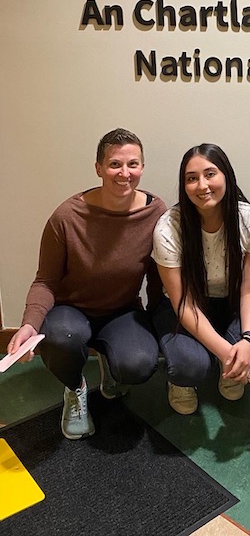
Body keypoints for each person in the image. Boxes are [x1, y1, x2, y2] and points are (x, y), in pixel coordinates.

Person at [6, 128, 166, 440]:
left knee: (140, 364)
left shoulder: (155, 212)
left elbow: (158, 280)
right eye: (114, 165)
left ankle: (111, 364)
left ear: (142, 168)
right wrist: (29, 323)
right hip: (71, 311)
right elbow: (46, 281)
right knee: (62, 337)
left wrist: (164, 326)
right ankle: (75, 388)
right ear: (98, 168)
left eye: (133, 164)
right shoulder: (67, 216)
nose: (124, 173)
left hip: (122, 311)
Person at [152, 144, 250, 415]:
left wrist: (247, 341)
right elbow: (183, 302)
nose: (202, 185)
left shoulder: (249, 220)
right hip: (183, 308)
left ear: (226, 176)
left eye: (210, 174)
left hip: (230, 302)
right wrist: (225, 351)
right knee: (190, 366)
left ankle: (231, 371)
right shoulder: (168, 228)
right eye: (191, 178)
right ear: (183, 185)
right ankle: (181, 382)